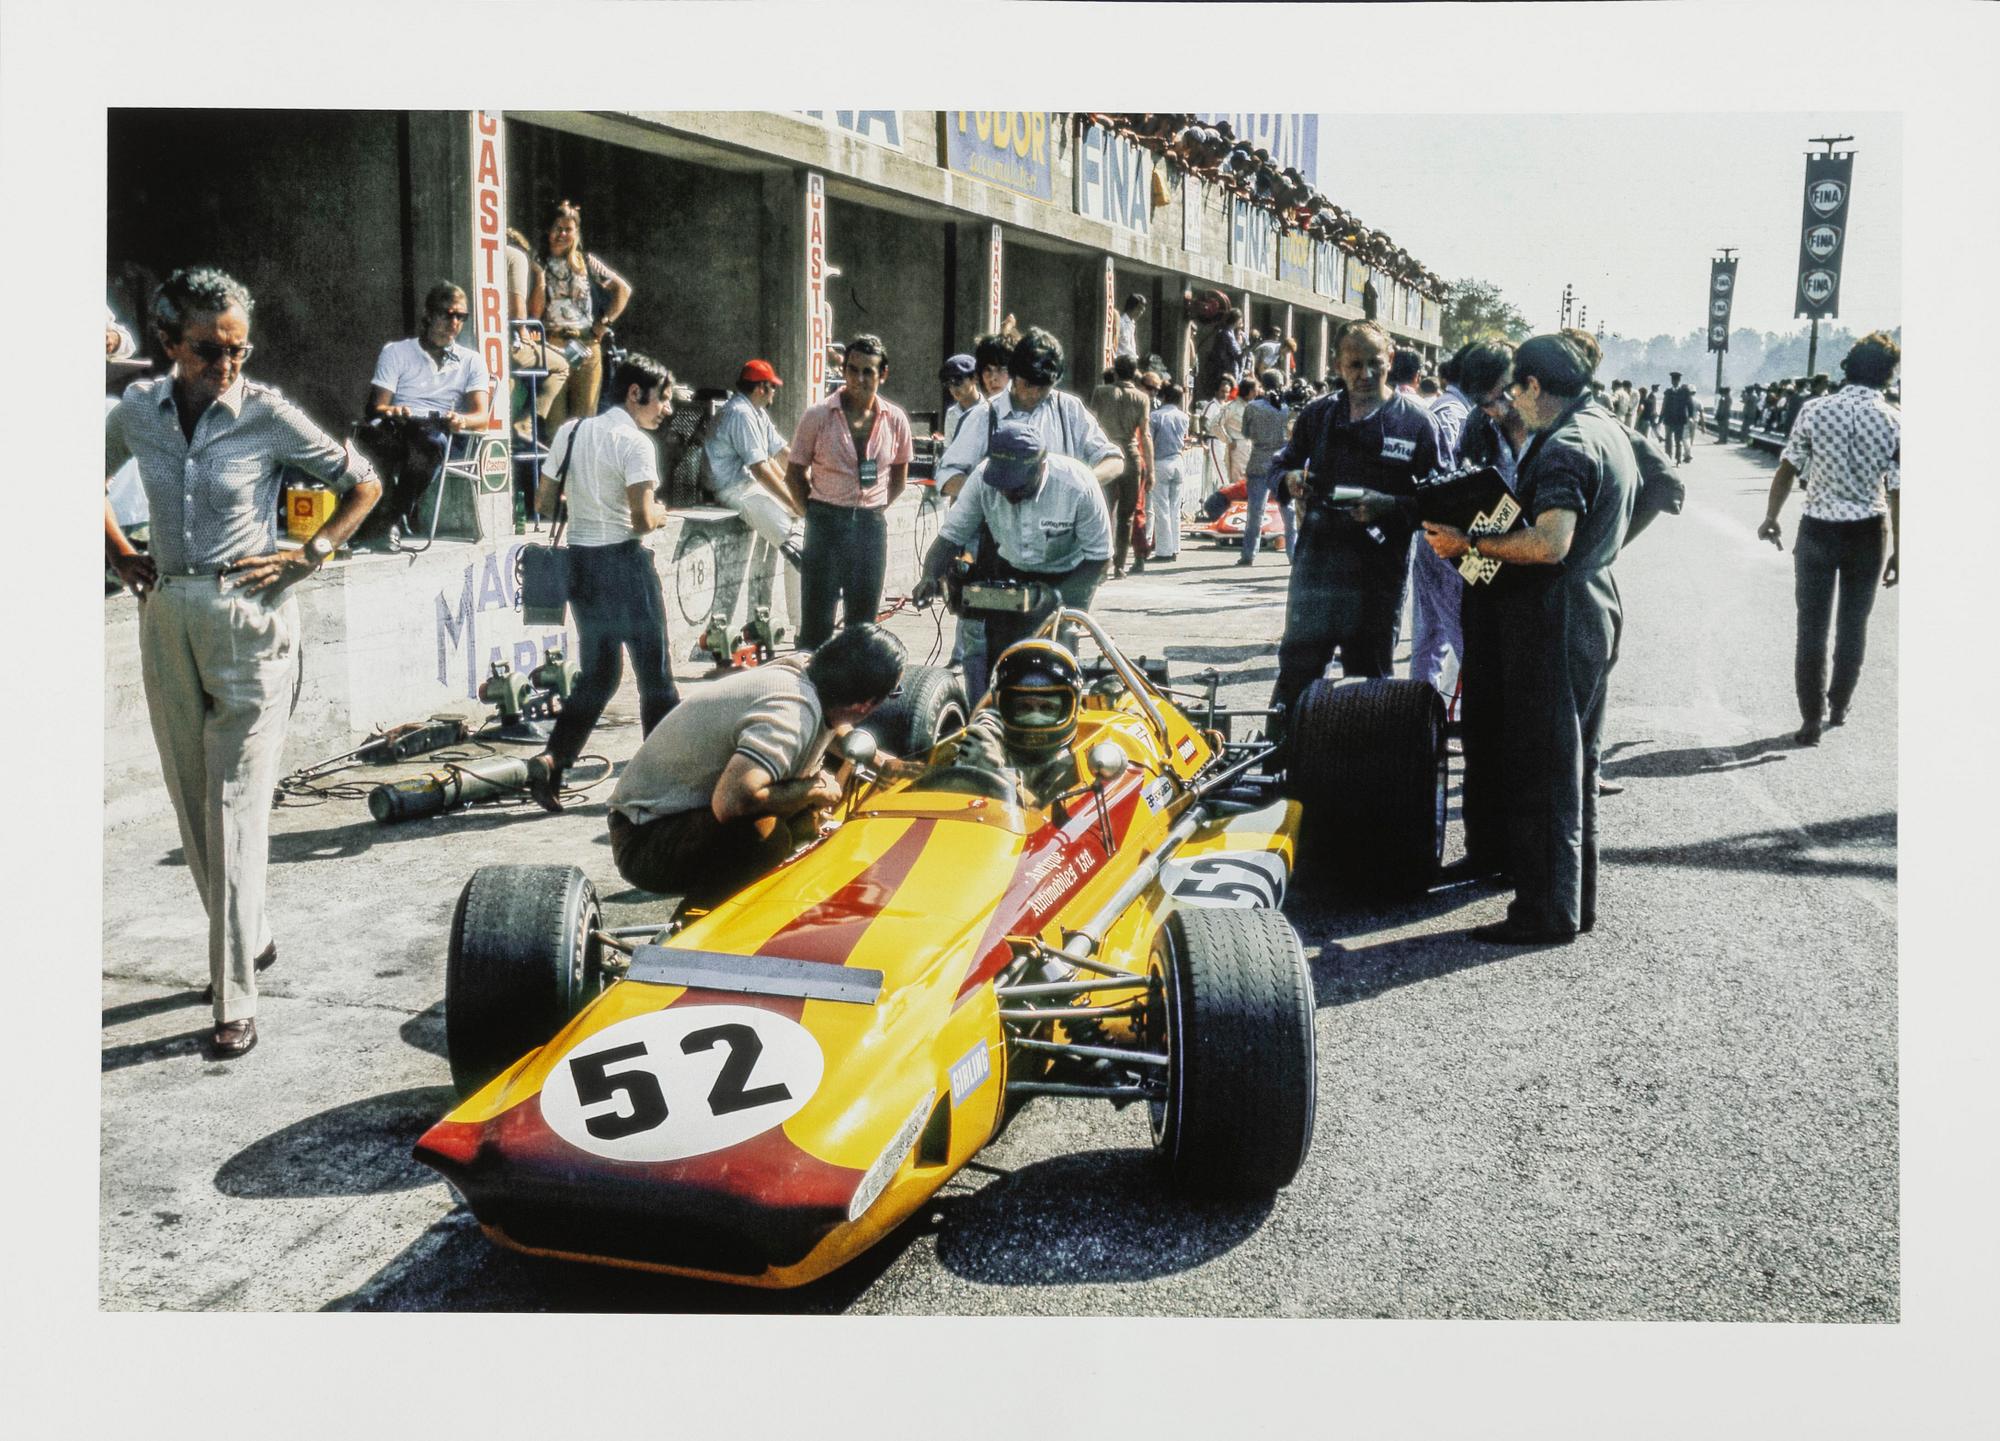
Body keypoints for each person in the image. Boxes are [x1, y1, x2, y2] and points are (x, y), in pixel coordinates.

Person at [103, 267, 384, 1058]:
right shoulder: (136, 411)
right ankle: (248, 933)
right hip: (166, 616)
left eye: (238, 349)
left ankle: (233, 998)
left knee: (232, 809)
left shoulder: (267, 414)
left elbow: (362, 480)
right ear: (167, 343)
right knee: (193, 808)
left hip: (250, 621)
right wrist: (121, 552)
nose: (227, 365)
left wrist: (312, 552)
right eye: (207, 350)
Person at [1421, 333, 1637, 944]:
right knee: (1576, 765)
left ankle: (1545, 912)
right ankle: (1574, 900)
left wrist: (1469, 545)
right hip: (1594, 601)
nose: (1513, 401)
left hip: (1556, 613)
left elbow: (1550, 542)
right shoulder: (1607, 427)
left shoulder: (1566, 444)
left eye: (1517, 389)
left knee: (1545, 768)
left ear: (1536, 386)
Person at [605, 624, 907, 909]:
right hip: (642, 840)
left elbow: (833, 726)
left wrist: (881, 761)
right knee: (766, 837)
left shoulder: (807, 671)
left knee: (813, 805)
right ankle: (700, 924)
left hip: (668, 815)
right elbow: (732, 801)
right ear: (865, 705)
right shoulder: (790, 713)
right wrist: (812, 790)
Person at [1266, 321, 1443, 739]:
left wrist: (1390, 506)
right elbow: (1279, 463)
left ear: (1392, 362)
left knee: (1370, 683)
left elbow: (1439, 502)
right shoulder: (1318, 413)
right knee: (1297, 672)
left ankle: (1367, 776)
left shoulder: (1416, 423)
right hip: (1318, 569)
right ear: (1338, 364)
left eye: (1375, 364)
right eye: (1355, 364)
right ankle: (1279, 763)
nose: (1365, 374)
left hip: (1377, 575)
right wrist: (1290, 479)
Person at [526, 351, 680, 809]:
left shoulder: (572, 431)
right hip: (626, 566)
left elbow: (543, 500)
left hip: (581, 566)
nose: (666, 409)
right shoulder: (635, 444)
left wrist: (589, 500)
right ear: (636, 393)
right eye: (663, 399)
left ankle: (554, 760)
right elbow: (641, 519)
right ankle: (662, 780)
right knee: (656, 680)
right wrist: (661, 514)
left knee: (599, 675)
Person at [1755, 331, 1901, 746]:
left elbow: (1787, 467)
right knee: (1854, 624)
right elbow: (1897, 490)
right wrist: (1902, 551)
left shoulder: (1815, 410)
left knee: (1811, 627)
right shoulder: (1896, 419)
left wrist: (1771, 517)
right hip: (1869, 532)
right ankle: (1839, 704)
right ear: (1888, 375)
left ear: (1849, 367)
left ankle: (1811, 719)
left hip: (1818, 527)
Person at [916, 416, 1113, 682]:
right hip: (1011, 570)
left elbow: (1100, 559)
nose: (1008, 493)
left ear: (1042, 466)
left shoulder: (1078, 485)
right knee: (1002, 662)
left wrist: (1055, 597)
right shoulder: (982, 480)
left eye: (1017, 485)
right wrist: (929, 574)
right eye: (1002, 485)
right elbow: (950, 537)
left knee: (1055, 658)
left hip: (1070, 575)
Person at [784, 334, 914, 648]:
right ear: (843, 372)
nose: (859, 379)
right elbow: (794, 473)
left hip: (869, 528)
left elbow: (898, 475)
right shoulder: (817, 416)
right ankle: (814, 693)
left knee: (862, 627)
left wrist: (874, 509)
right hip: (825, 524)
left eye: (868, 371)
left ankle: (855, 694)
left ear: (883, 374)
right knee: (816, 626)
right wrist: (813, 514)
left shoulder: (895, 420)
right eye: (853, 369)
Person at [1406, 341, 1513, 699]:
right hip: (1454, 543)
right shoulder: (1461, 416)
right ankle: (1430, 722)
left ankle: (1427, 721)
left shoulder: (1471, 413)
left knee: (1435, 641)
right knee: (1464, 639)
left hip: (1454, 542)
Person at [936, 327, 1121, 492]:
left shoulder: (1068, 409)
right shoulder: (985, 416)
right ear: (1015, 374)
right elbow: (946, 476)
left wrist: (1082, 483)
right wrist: (990, 493)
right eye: (1029, 384)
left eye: (1043, 387)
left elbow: (1113, 460)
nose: (1035, 393)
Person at [705, 358, 805, 627]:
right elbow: (761, 469)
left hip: (749, 486)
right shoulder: (741, 413)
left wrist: (809, 479)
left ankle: (801, 622)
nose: (775, 392)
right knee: (796, 543)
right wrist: (795, 500)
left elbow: (782, 453)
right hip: (732, 489)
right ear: (761, 388)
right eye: (772, 387)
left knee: (801, 533)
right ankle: (803, 628)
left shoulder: (757, 411)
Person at [931, 639, 1085, 809]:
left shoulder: (1080, 764)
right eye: (1023, 707)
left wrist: (998, 772)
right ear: (1002, 706)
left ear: (1071, 708)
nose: (1035, 718)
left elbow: (1043, 818)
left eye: (1047, 708)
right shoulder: (986, 742)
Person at [533, 198, 631, 430]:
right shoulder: (538, 261)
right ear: (548, 229)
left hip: (586, 345)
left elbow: (623, 290)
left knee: (585, 422)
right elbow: (533, 310)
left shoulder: (586, 263)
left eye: (569, 229)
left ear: (576, 232)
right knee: (554, 423)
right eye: (558, 228)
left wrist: (604, 322)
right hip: (552, 345)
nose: (562, 234)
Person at [367, 281, 491, 433]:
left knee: (432, 441)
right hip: (401, 429)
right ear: (429, 315)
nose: (454, 322)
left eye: (461, 316)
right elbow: (376, 407)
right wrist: (394, 411)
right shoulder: (395, 352)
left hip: (442, 432)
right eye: (447, 314)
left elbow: (482, 418)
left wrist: (462, 420)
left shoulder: (472, 360)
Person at [1088, 353, 1155, 577]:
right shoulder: (1142, 398)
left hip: (1106, 455)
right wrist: (1151, 469)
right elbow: (1145, 435)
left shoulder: (1101, 392)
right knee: (1127, 515)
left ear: (1115, 371)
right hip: (1131, 455)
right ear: (1135, 374)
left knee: (1103, 511)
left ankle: (1100, 561)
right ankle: (1119, 565)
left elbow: (1092, 424)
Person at [504, 226, 569, 446]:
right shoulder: (516, 257)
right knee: (560, 365)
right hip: (508, 344)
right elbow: (517, 310)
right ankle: (525, 423)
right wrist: (523, 333)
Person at [1237, 368, 1293, 565]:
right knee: (1288, 509)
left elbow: (1246, 433)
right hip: (1282, 460)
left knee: (1255, 512)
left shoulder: (1253, 407)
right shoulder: (1287, 406)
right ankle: (1292, 554)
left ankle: (1248, 554)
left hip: (1259, 458)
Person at [1147, 381, 1191, 563]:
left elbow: (1149, 441)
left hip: (1160, 462)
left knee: (1161, 508)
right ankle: (1175, 547)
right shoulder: (1184, 417)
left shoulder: (1155, 416)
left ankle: (1163, 551)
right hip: (1178, 461)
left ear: (1163, 397)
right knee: (1174, 507)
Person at [937, 353, 982, 449]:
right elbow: (948, 450)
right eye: (948, 384)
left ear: (974, 378)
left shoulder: (990, 410)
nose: (953, 388)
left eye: (957, 381)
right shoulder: (951, 413)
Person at [1661, 371, 1696, 462]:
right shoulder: (1667, 392)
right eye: (1673, 380)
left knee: (1678, 441)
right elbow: (1664, 406)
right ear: (1671, 381)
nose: (1675, 382)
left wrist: (1691, 416)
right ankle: (1668, 458)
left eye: (1676, 380)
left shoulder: (1685, 392)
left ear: (1679, 380)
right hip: (1669, 419)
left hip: (1680, 420)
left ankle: (1678, 459)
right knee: (1668, 440)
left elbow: (1690, 405)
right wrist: (1661, 418)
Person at [1115, 291, 1147, 361]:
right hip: (1121, 362)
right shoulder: (1121, 323)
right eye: (1139, 309)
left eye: (1142, 310)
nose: (1140, 313)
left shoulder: (1132, 324)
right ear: (1131, 307)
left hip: (1131, 362)